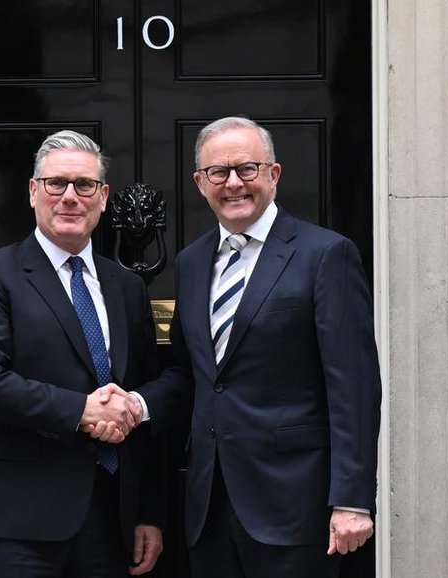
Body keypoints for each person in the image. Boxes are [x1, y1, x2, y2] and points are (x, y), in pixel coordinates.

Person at [94, 116, 382, 577]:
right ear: (199, 183)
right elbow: (192, 375)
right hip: (210, 506)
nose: (233, 183)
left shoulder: (325, 255)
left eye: (247, 169)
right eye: (218, 173)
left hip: (295, 507)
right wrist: (138, 404)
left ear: (274, 174)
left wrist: (351, 500)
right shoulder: (191, 262)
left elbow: (355, 387)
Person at [0, 130, 164, 578]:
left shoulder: (126, 288)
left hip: (110, 522)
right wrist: (81, 410)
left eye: (84, 185)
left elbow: (148, 391)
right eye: (56, 184)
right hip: (15, 524)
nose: (70, 197)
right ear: (33, 192)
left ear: (103, 197)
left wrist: (149, 510)